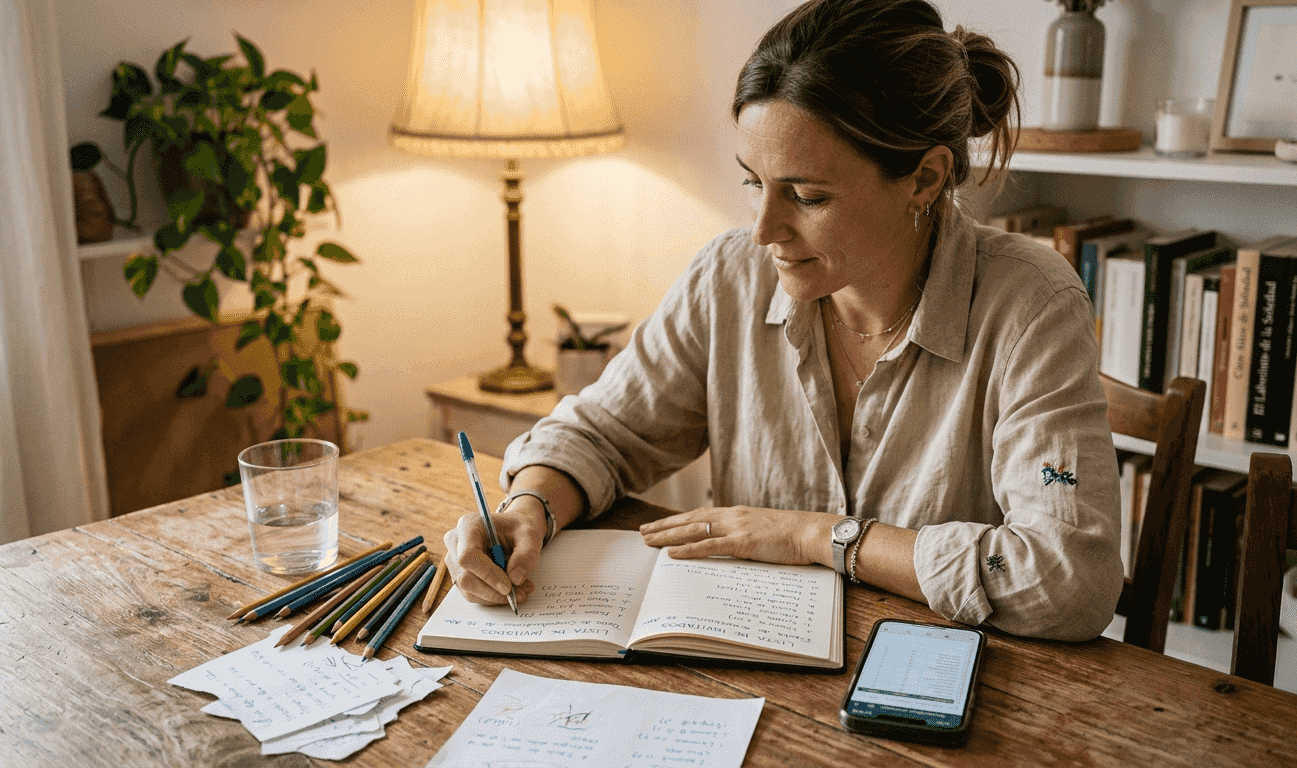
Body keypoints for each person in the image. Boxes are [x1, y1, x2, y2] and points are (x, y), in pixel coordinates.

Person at [444, 0, 1123, 642]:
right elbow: (603, 433)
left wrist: (812, 536)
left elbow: (1069, 580)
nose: (765, 228)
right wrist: (528, 508)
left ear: (923, 178)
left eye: (806, 195)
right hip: (747, 670)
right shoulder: (729, 276)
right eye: (752, 182)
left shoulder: (1031, 304)